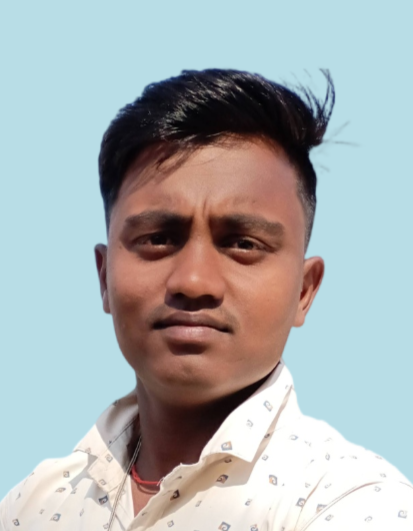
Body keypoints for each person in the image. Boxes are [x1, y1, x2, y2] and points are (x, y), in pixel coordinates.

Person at [1, 68, 412, 531]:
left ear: (304, 291)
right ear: (104, 278)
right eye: (158, 238)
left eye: (242, 243)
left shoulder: (352, 503)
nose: (194, 281)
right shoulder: (32, 506)